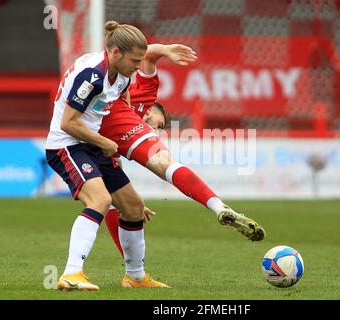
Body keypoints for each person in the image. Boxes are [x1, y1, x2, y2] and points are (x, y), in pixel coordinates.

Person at [99, 43, 266, 258]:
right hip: (90, 136)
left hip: (99, 139)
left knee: (111, 200)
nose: (157, 131)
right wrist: (166, 50)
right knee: (158, 170)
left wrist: (128, 200)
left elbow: (115, 167)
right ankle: (217, 205)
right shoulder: (145, 93)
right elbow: (147, 56)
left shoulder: (129, 103)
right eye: (160, 125)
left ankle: (219, 208)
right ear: (151, 111)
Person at [45, 21, 168, 291]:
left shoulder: (122, 74)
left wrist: (116, 139)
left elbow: (118, 104)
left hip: (94, 145)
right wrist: (106, 142)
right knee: (100, 199)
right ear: (115, 53)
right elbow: (68, 122)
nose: (139, 66)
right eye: (135, 60)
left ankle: (135, 277)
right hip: (67, 145)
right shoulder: (92, 75)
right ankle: (71, 274)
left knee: (133, 208)